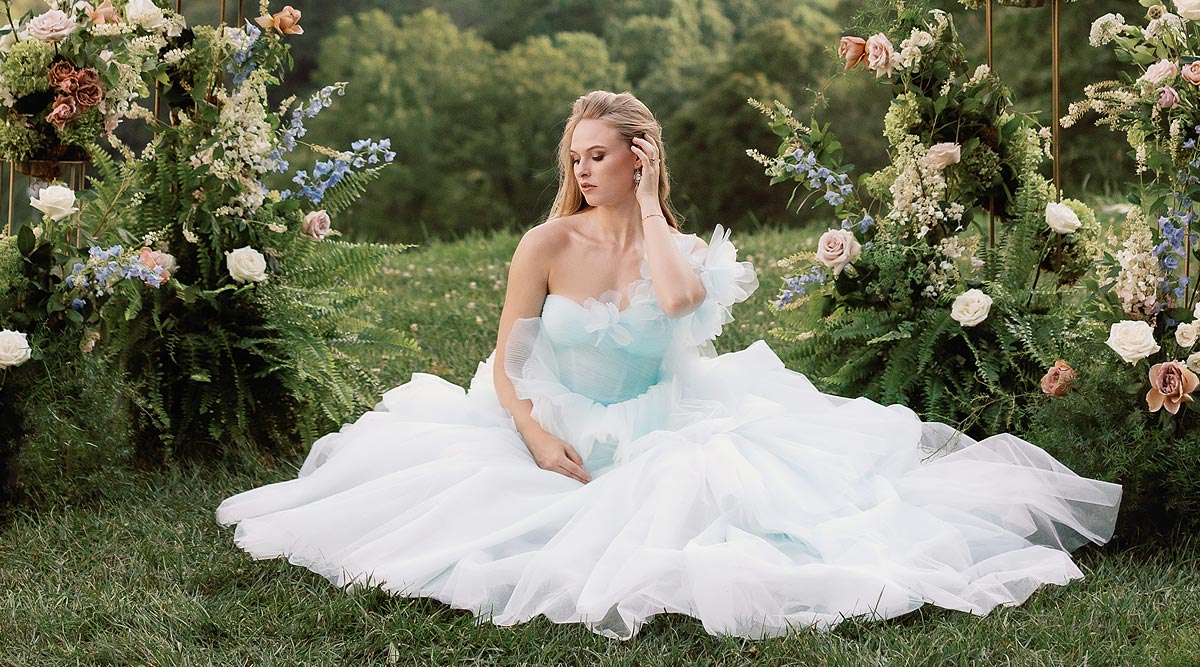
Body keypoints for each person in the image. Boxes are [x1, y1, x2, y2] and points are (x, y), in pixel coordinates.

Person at [217, 90, 1121, 639]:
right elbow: (504, 363)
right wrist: (533, 434)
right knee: (477, 523)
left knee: (744, 507)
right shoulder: (542, 242)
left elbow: (682, 302)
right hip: (555, 419)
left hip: (663, 419)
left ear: (638, 158)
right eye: (577, 156)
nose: (585, 168)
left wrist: (648, 205)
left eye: (601, 154)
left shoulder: (671, 246)